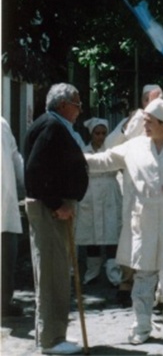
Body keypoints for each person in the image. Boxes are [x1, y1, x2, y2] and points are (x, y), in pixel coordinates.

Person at [84, 98, 163, 345]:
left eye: (150, 122)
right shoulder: (135, 146)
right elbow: (106, 160)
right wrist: (76, 159)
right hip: (145, 217)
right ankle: (141, 324)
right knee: (144, 273)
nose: (145, 125)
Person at [23, 83, 89, 355]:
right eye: (77, 103)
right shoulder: (51, 126)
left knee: (57, 272)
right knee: (52, 274)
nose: (80, 109)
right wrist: (57, 203)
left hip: (55, 207)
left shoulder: (54, 124)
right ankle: (51, 340)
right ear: (63, 104)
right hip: (50, 209)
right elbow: (35, 172)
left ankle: (53, 335)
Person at [77, 118, 124, 286]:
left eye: (104, 133)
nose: (101, 137)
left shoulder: (112, 150)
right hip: (90, 192)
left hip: (110, 192)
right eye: (97, 133)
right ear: (91, 134)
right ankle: (92, 274)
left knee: (112, 234)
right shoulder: (84, 150)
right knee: (92, 237)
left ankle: (114, 274)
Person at [2, 116, 25, 318]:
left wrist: (28, 185)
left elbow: (16, 158)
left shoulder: (2, 124)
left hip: (5, 204)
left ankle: (4, 302)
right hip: (5, 204)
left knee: (7, 256)